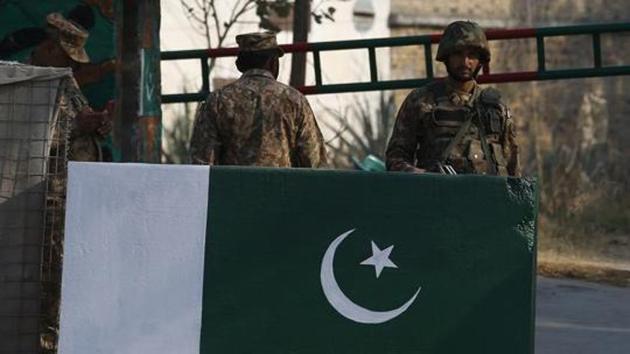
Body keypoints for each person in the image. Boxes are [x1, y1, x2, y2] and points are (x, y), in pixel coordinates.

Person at [385, 21, 520, 176]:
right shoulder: (421, 101)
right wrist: (426, 176)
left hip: (486, 197)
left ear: (480, 60)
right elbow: (395, 159)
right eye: (458, 54)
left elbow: (514, 171)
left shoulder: (496, 108)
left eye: (472, 55)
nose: (465, 62)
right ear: (446, 57)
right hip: (436, 196)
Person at [190, 31, 327, 168]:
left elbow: (202, 162)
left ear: (240, 64)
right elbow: (313, 162)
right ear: (273, 62)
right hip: (283, 188)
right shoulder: (295, 101)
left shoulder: (218, 101)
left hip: (233, 188)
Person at [29, 12, 112, 162]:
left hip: (79, 174)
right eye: (69, 59)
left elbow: (84, 113)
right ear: (50, 48)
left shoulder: (66, 81)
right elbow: (25, 138)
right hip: (42, 179)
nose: (73, 66)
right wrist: (77, 126)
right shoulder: (20, 82)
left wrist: (100, 124)